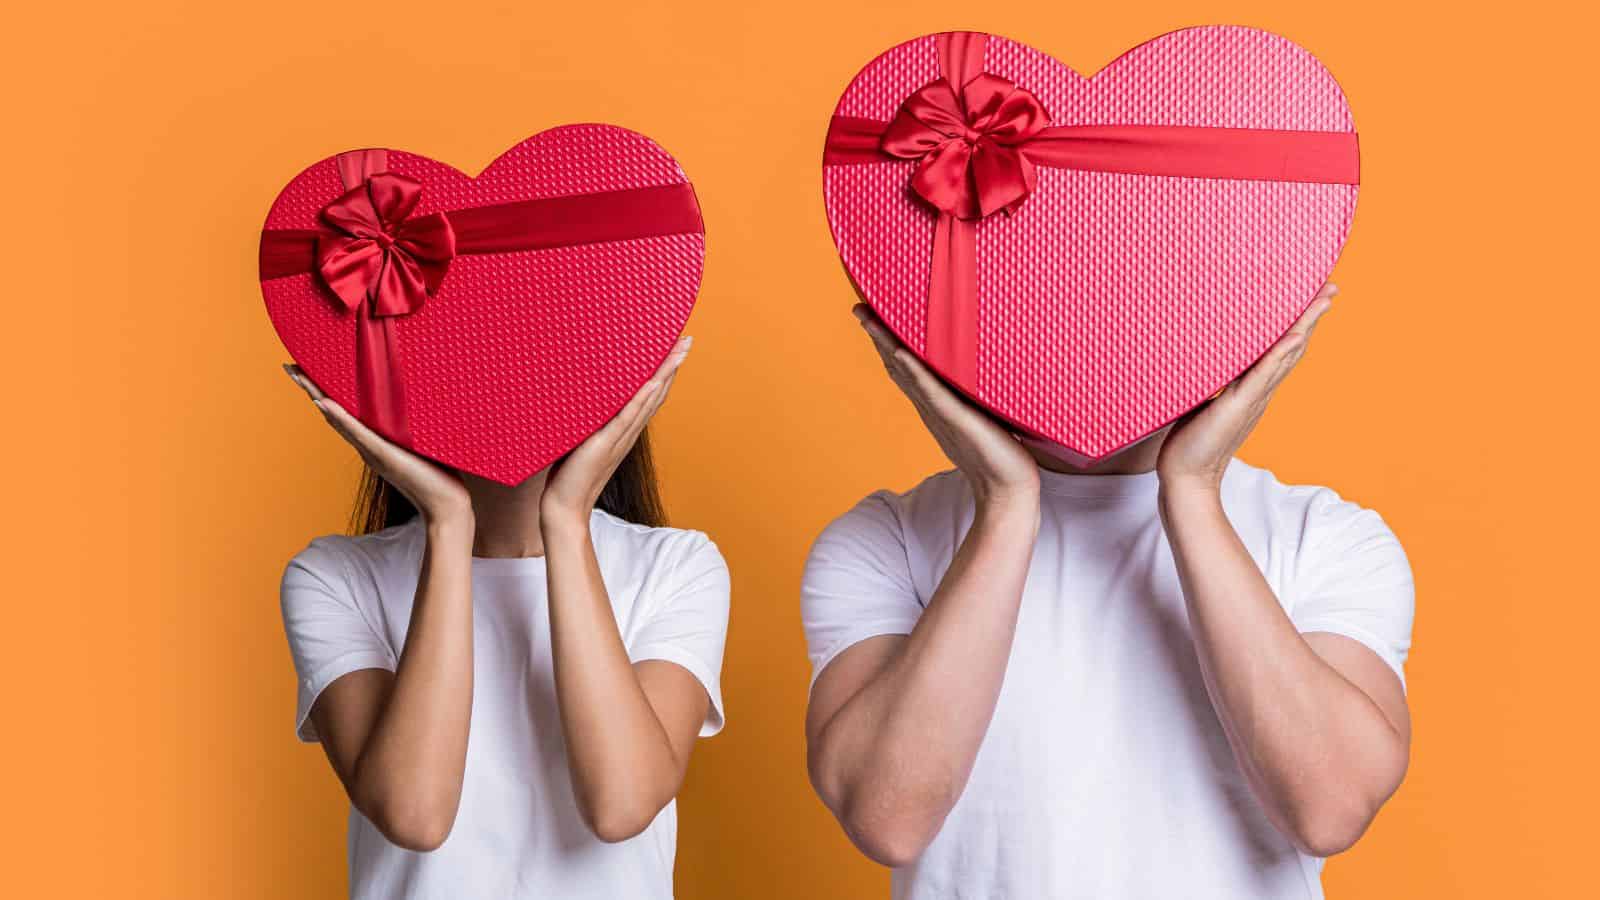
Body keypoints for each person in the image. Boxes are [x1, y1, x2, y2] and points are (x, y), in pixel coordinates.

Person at [801, 285, 1413, 899]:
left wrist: (1193, 490)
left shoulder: (1325, 538)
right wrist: (1007, 504)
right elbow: (889, 819)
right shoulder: (886, 540)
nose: (1089, 340)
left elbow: (1329, 809)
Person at [277, 337, 729, 900]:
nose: (506, 391)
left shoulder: (676, 566)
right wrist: (446, 523)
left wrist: (565, 522)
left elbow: (621, 805)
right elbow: (415, 815)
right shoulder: (335, 577)